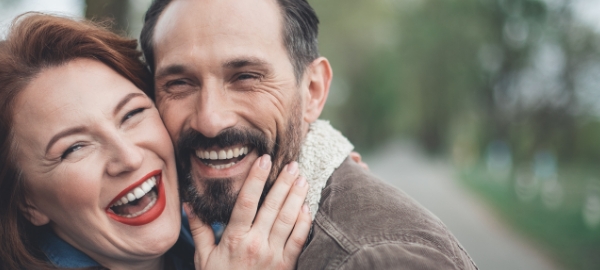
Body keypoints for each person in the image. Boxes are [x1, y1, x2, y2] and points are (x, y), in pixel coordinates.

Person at [0, 13, 312, 269]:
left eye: (132, 114)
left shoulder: (207, 226)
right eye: (74, 148)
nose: (127, 156)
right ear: (27, 200)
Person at [139, 0, 479, 268]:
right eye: (179, 83)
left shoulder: (374, 259)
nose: (210, 120)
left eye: (245, 77)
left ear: (313, 91)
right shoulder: (177, 228)